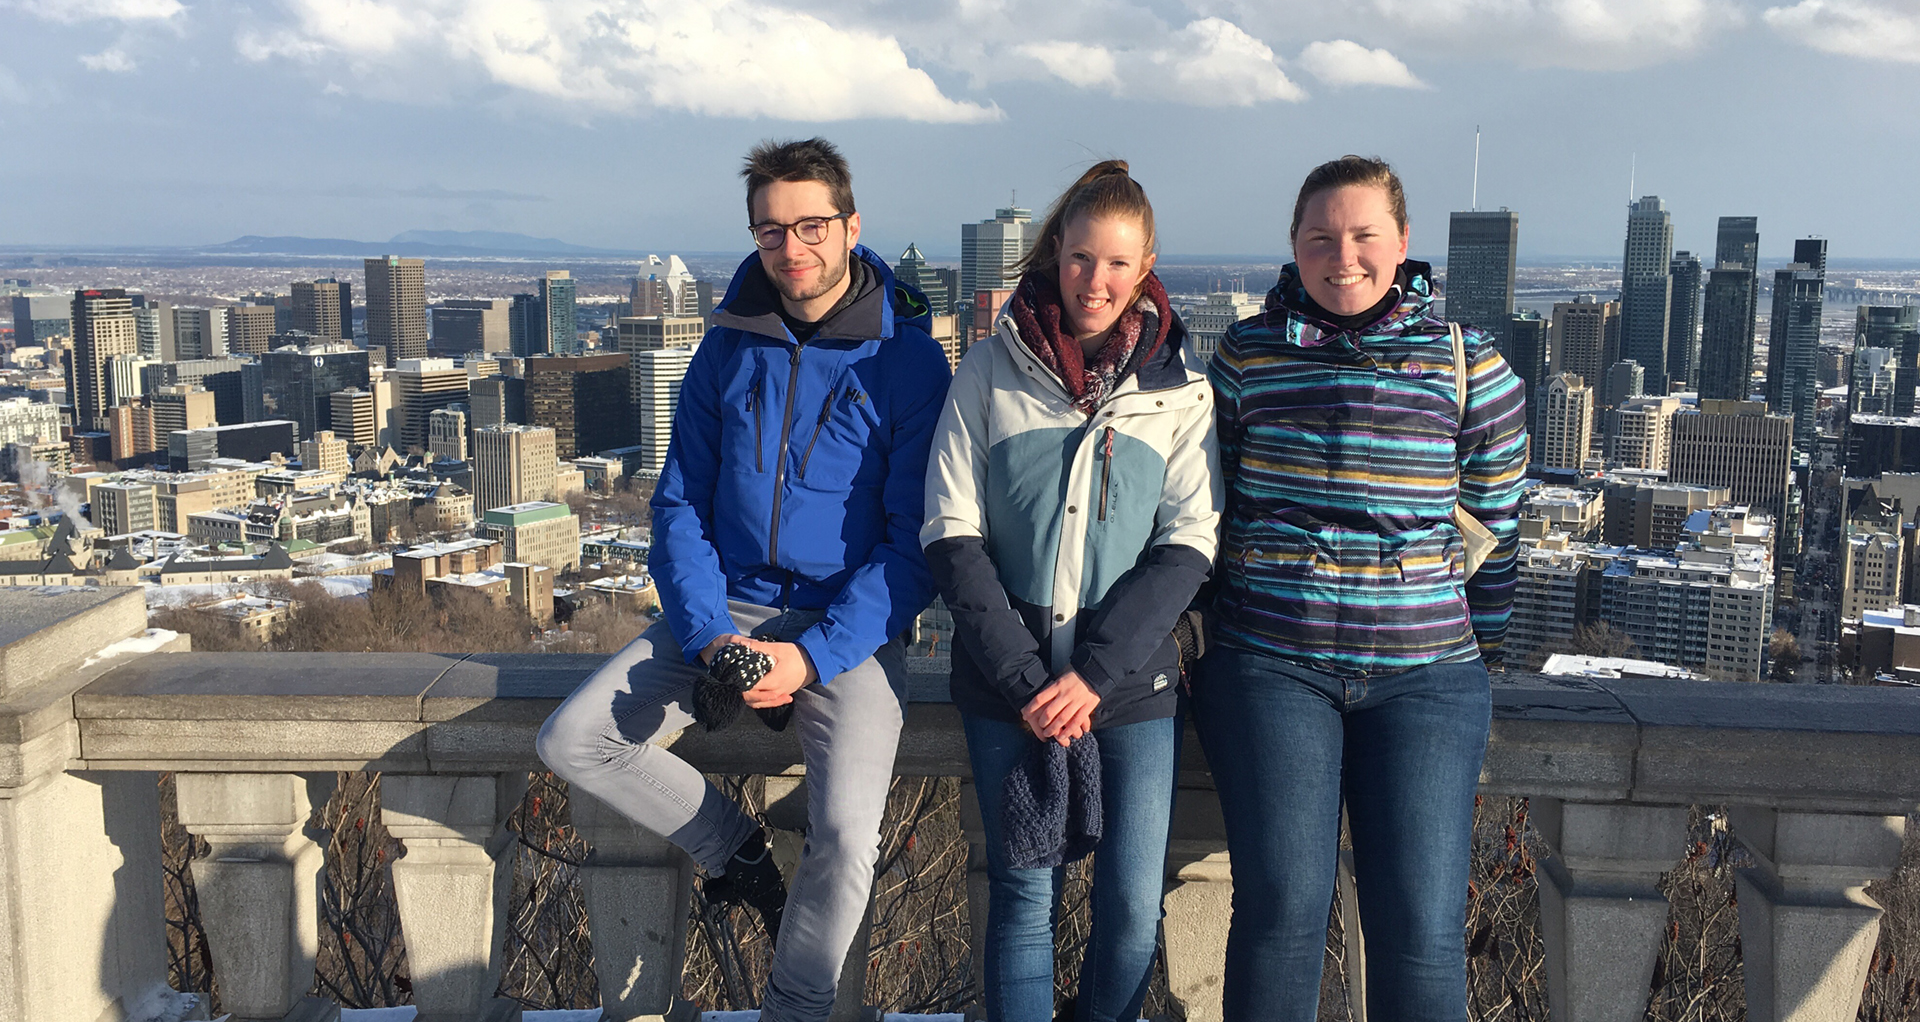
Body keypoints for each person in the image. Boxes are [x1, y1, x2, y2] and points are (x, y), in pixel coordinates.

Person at [536, 137, 952, 1022]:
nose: (791, 250)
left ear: (851, 225)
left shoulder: (908, 362)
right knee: (574, 740)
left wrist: (813, 659)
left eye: (811, 227)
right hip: (727, 608)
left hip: (847, 630)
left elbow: (912, 546)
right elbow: (679, 502)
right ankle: (737, 851)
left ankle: (794, 1009)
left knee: (845, 839)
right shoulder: (727, 347)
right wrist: (707, 633)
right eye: (771, 232)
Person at [1194, 155, 1528, 1020]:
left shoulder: (1468, 364)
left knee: (1418, 927)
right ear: (1294, 247)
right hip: (1272, 665)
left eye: (1364, 235)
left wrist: (1472, 652)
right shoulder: (1245, 357)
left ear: (1403, 242)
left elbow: (1496, 531)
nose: (1343, 256)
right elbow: (1210, 511)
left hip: (1425, 677)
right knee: (1280, 911)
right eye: (1320, 238)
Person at [922, 161, 1221, 1022]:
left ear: (1148, 265)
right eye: (1082, 258)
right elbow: (950, 531)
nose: (1097, 282)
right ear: (1055, 252)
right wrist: (1027, 681)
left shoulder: (1179, 390)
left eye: (1119, 264)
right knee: (1023, 901)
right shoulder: (987, 371)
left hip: (1129, 690)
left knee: (1129, 909)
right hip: (1004, 683)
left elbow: (1189, 543)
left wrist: (1092, 675)